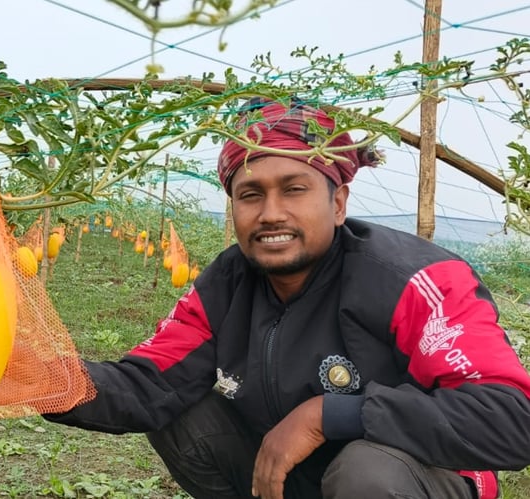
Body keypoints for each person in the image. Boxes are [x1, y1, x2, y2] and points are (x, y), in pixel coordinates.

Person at [44, 98, 530, 499]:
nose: (270, 213)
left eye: (294, 189)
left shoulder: (415, 280)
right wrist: (35, 377)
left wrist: (329, 414)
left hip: (410, 480)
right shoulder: (226, 284)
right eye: (250, 195)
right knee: (179, 412)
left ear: (337, 203)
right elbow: (147, 386)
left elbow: (512, 418)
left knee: (367, 472)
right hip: (293, 475)